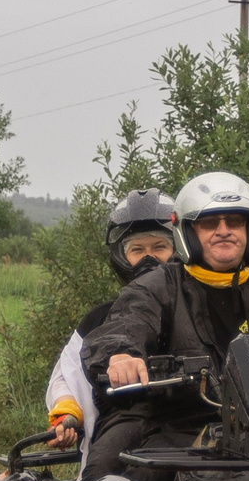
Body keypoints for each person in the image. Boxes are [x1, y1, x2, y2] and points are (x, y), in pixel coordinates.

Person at [80, 172, 249, 479]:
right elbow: (126, 323)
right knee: (106, 479)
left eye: (234, 222)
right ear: (188, 233)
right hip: (169, 420)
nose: (224, 231)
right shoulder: (157, 287)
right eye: (210, 223)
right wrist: (120, 355)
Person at [43, 189, 178, 459]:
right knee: (102, 475)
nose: (148, 259)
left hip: (197, 428)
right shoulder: (99, 318)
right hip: (123, 431)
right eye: (137, 249)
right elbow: (64, 377)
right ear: (120, 256)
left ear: (178, 250)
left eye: (159, 247)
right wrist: (67, 411)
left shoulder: (198, 305)